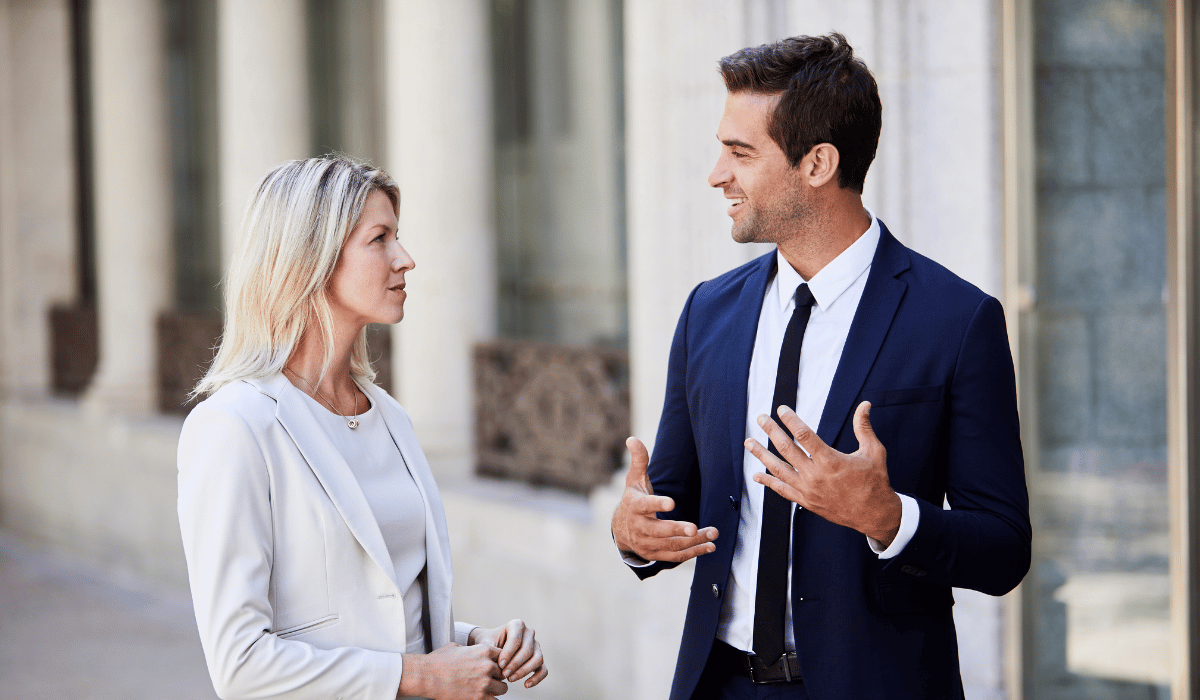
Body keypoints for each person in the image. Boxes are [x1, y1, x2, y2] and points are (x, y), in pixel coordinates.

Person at [611, 34, 1031, 700]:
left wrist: (888, 516)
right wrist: (635, 531)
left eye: (740, 153)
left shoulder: (956, 320)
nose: (716, 173)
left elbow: (1005, 548)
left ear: (818, 163)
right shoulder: (707, 312)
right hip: (719, 684)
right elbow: (671, 502)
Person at [178, 157, 548, 700]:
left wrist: (474, 642)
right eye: (380, 239)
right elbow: (240, 665)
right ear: (313, 258)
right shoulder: (233, 426)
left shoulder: (389, 417)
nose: (406, 259)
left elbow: (384, 613)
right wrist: (422, 677)